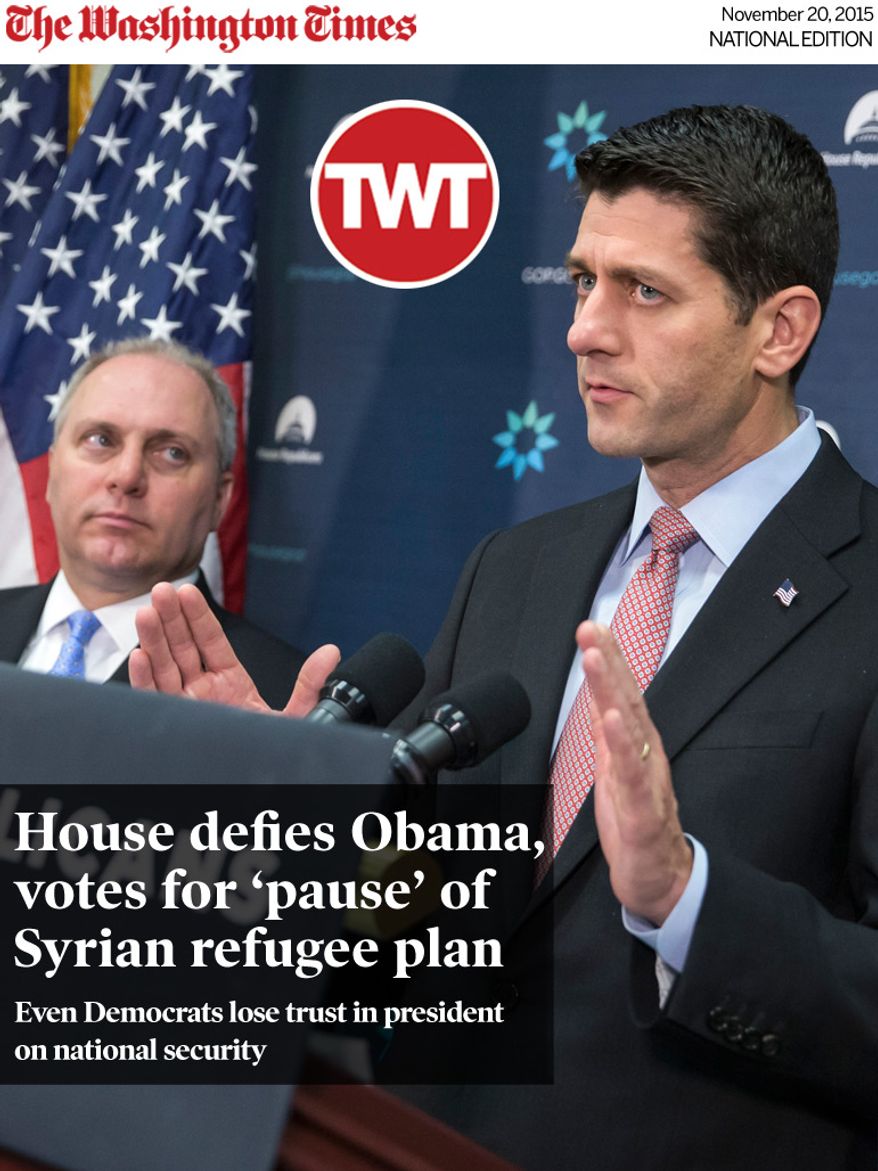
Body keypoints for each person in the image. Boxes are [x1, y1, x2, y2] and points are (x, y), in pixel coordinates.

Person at [131, 107, 878, 1168]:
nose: (585, 330)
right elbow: (408, 937)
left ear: (779, 331)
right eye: (582, 281)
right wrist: (299, 833)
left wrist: (685, 899)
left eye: (644, 291)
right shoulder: (515, 566)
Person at [0, 337, 304, 709]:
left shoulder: (280, 701)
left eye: (172, 453)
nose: (127, 476)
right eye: (100, 439)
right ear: (51, 473)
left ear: (219, 499)